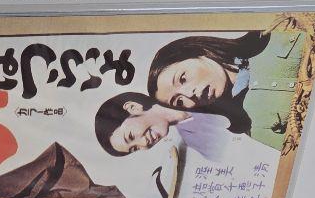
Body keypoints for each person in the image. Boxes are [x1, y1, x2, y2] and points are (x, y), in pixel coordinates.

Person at [146, 29, 303, 152]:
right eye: (179, 102)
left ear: (196, 53)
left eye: (183, 78)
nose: (189, 94)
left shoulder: (274, 33)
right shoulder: (255, 128)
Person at [93, 92, 232, 161]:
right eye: (135, 148)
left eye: (131, 136)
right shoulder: (195, 144)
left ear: (133, 107)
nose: (144, 144)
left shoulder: (185, 88)